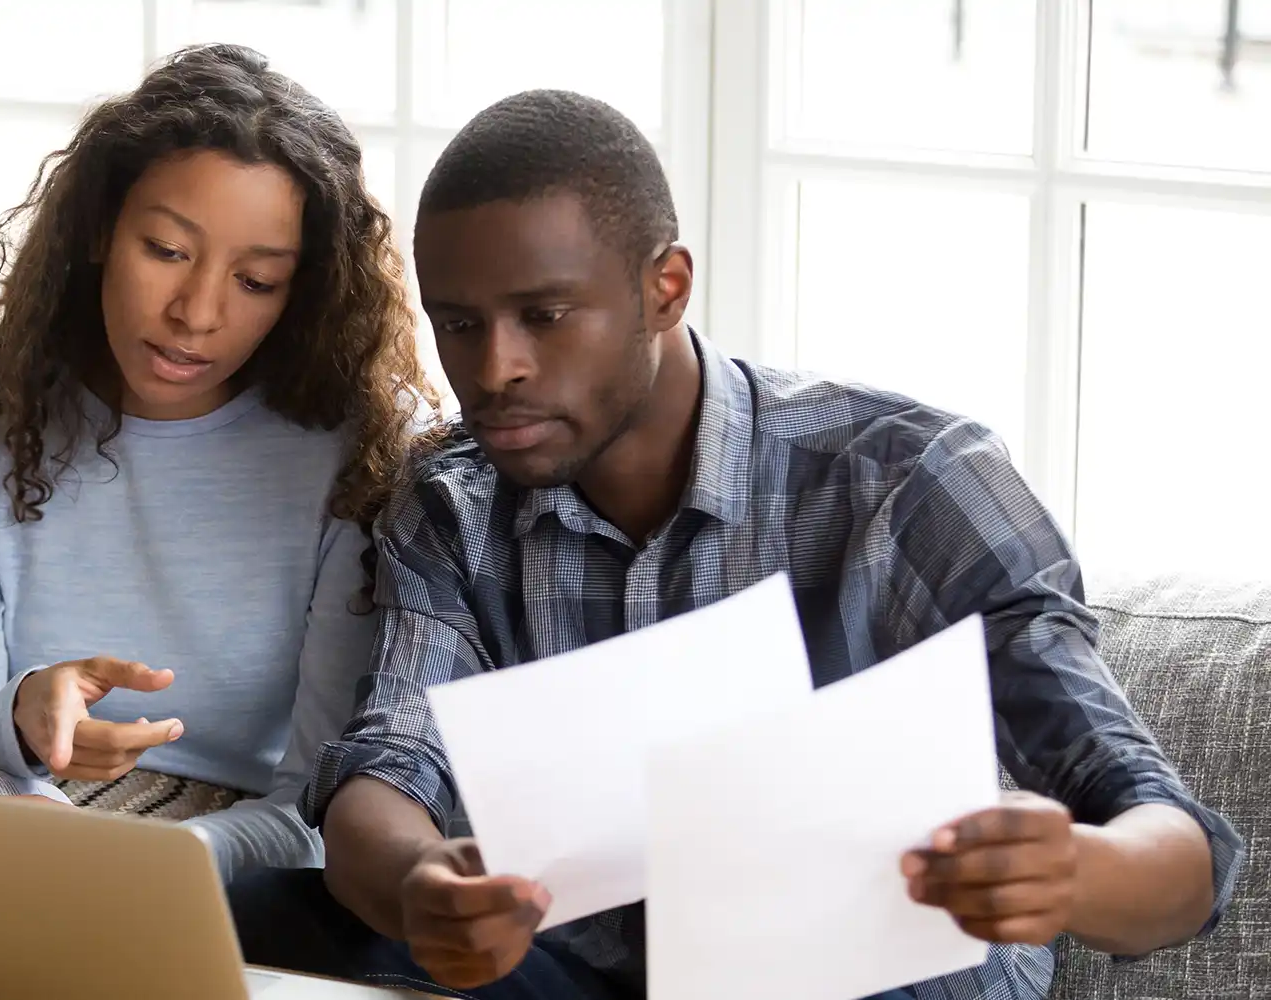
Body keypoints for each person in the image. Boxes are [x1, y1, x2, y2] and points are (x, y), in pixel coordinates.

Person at [225, 89, 1244, 999]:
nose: (495, 369)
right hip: (577, 969)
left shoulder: (907, 482)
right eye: (458, 324)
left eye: (543, 315)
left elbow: (1174, 848)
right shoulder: (451, 500)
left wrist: (1073, 869)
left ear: (664, 287)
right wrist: (419, 890)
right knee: (247, 916)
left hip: (867, 980)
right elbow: (386, 769)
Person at [0, 43, 435, 882]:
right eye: (166, 250)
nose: (197, 314)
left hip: (241, 863)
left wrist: (156, 864)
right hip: (11, 826)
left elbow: (320, 806)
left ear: (303, 295)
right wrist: (24, 709)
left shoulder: (360, 441)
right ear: (99, 231)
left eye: (256, 282)